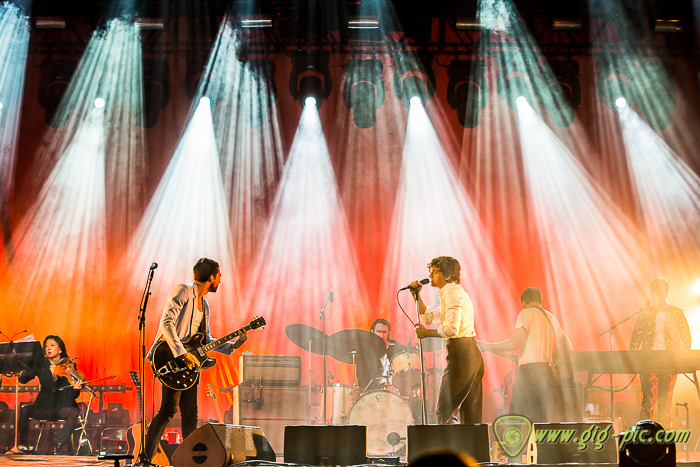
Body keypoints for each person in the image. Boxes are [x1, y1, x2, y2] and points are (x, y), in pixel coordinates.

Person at [143, 258, 247, 462]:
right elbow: (167, 323)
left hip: (190, 365)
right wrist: (182, 353)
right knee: (168, 409)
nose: (220, 280)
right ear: (211, 277)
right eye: (219, 276)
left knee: (191, 413)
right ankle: (146, 458)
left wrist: (234, 344)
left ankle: (189, 461)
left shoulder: (205, 306)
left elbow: (205, 340)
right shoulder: (182, 291)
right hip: (171, 357)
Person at [478, 287, 572, 423]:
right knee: (539, 418)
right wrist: (553, 358)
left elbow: (514, 344)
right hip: (546, 372)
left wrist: (487, 346)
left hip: (530, 373)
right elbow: (568, 347)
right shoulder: (550, 317)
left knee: (515, 416)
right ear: (540, 301)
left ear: (524, 302)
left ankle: (512, 445)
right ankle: (538, 444)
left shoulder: (525, 313)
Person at [410, 256, 484, 424]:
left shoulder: (452, 293)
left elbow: (451, 329)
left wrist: (427, 334)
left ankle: (452, 448)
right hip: (470, 353)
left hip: (463, 355)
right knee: (469, 415)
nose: (430, 276)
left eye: (435, 272)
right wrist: (417, 296)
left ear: (448, 275)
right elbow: (429, 317)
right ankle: (469, 448)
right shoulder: (450, 293)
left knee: (444, 411)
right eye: (431, 272)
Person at [630, 279, 691, 428]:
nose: (654, 298)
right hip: (648, 360)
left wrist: (682, 358)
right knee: (647, 401)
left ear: (665, 294)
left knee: (665, 401)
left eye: (657, 294)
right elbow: (635, 339)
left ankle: (663, 440)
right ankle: (644, 437)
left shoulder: (676, 312)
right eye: (652, 294)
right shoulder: (644, 314)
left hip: (669, 361)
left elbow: (686, 336)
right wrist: (635, 358)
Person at [12, 335, 82, 455]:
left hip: (61, 407)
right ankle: (24, 445)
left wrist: (75, 390)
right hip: (44, 407)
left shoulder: (69, 367)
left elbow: (73, 395)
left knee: (74, 412)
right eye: (46, 346)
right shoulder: (41, 366)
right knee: (25, 410)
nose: (48, 348)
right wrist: (21, 372)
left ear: (60, 349)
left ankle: (59, 445)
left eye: (52, 345)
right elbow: (24, 379)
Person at [357, 319, 408, 391]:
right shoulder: (365, 353)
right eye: (378, 332)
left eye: (384, 332)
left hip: (396, 389)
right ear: (372, 332)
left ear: (388, 333)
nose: (381, 335)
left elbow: (410, 353)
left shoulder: (395, 347)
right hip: (375, 392)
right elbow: (362, 380)